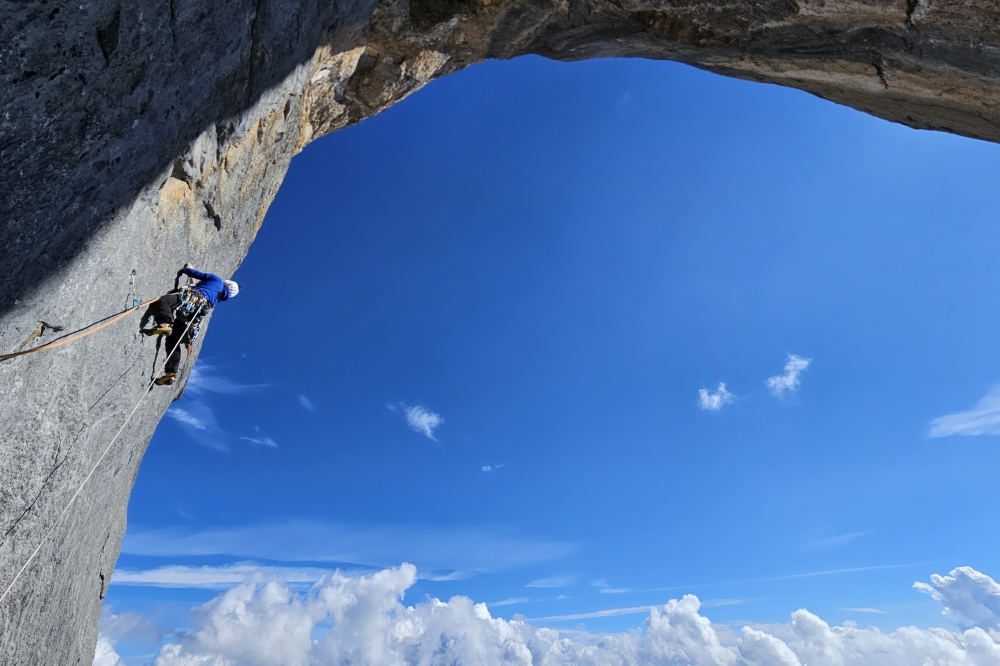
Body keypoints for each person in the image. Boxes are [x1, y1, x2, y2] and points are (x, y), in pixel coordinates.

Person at [141, 263, 239, 386]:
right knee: (173, 340)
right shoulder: (216, 299)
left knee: (164, 301)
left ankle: (164, 324)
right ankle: (170, 374)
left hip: (193, 298)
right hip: (194, 315)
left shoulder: (217, 280)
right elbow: (197, 286)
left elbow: (193, 273)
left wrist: (187, 268)